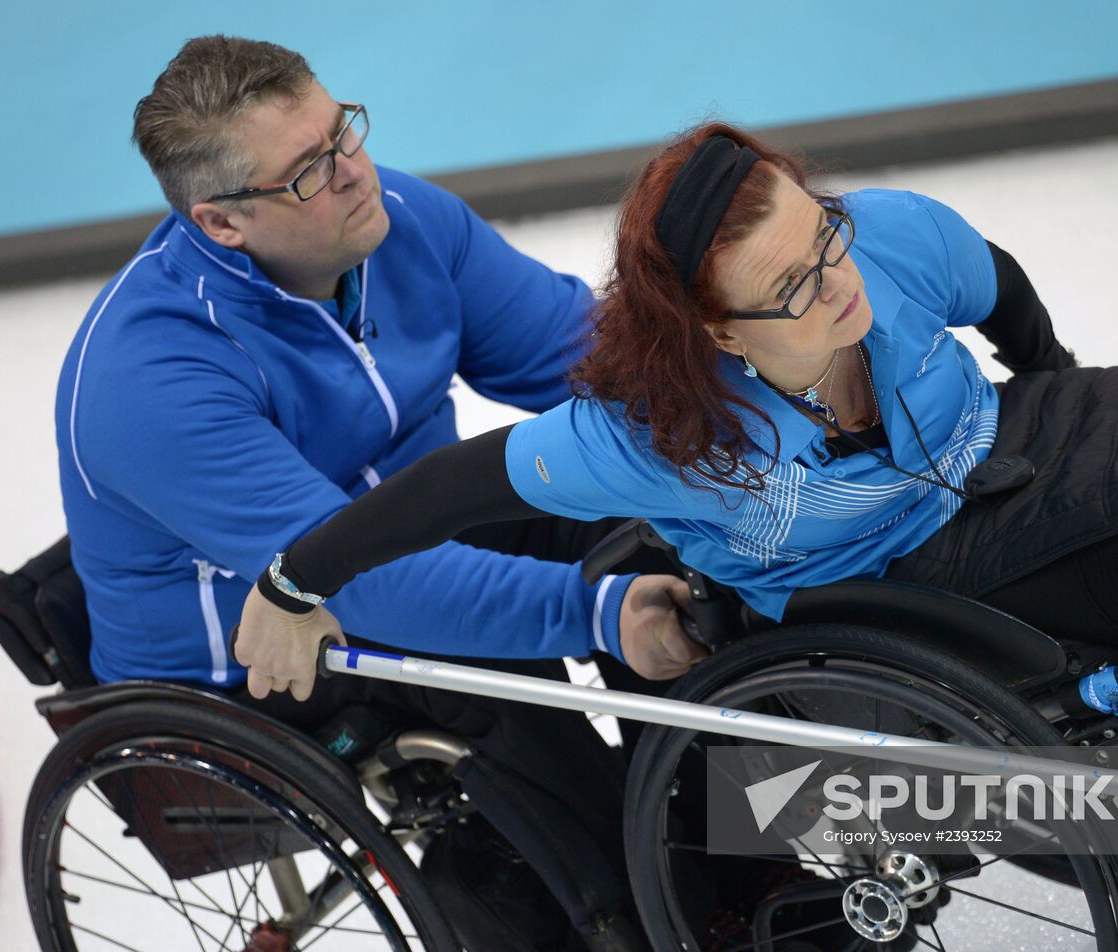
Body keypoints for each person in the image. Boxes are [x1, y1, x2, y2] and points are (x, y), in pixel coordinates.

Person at [235, 122, 1118, 917]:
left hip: (985, 439)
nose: (835, 279)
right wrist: (294, 583)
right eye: (790, 285)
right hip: (890, 571)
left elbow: (996, 284)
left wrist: (1058, 391)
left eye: (819, 234)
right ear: (716, 333)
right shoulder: (657, 430)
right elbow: (453, 488)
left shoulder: (877, 242)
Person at [54, 35, 695, 949]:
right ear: (223, 223)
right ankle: (632, 910)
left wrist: (734, 401)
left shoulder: (395, 220)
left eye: (341, 131)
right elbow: (353, 579)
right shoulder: (149, 381)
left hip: (400, 541)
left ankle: (721, 823)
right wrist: (598, 614)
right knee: (487, 665)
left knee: (651, 517)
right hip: (252, 655)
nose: (354, 171)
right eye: (308, 171)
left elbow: (588, 358)